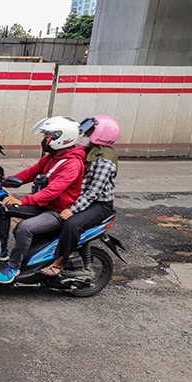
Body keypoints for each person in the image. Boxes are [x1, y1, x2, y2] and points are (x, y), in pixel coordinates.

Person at [0, 116, 85, 284]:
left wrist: (24, 201)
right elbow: (31, 172)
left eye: (47, 136)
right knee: (4, 208)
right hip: (43, 205)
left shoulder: (72, 164)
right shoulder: (52, 157)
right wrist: (5, 181)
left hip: (57, 211)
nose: (44, 140)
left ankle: (13, 266)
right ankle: (2, 251)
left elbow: (52, 191)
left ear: (61, 138)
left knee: (24, 228)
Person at [41, 116, 120, 276]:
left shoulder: (104, 160)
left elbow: (93, 192)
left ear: (101, 135)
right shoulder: (88, 151)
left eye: (88, 132)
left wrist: (72, 210)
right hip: (82, 199)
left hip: (99, 205)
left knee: (72, 224)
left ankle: (59, 263)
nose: (84, 135)